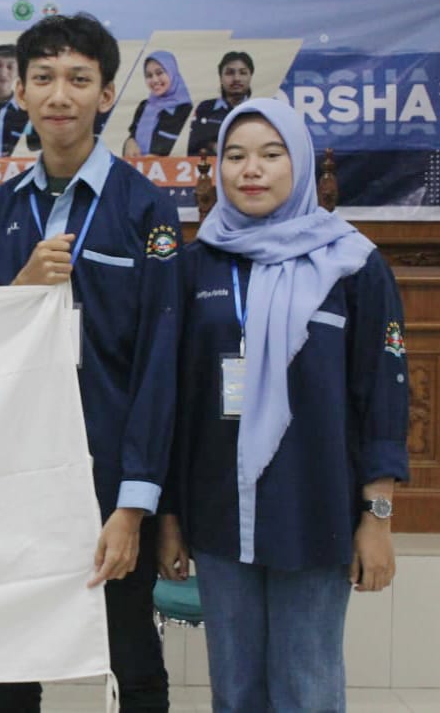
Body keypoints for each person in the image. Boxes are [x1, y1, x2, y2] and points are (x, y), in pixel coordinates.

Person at [0, 14, 179, 712]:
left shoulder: (147, 209)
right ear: (19, 91)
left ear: (106, 95)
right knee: (14, 657)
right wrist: (18, 291)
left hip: (108, 469)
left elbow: (159, 362)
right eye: (43, 78)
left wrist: (134, 504)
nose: (60, 94)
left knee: (130, 651)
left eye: (78, 79)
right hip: (15, 467)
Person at [160, 98, 409, 712]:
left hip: (316, 508)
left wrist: (376, 518)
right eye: (236, 156)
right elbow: (174, 401)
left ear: (297, 165)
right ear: (217, 169)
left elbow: (381, 395)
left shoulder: (354, 265)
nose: (252, 170)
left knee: (308, 685)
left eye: (272, 155)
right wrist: (169, 517)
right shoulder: (196, 267)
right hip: (220, 514)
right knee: (236, 689)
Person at [123, 50, 192, 157]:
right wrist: (130, 142)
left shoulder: (186, 109)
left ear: (172, 72)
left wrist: (155, 158)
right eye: (149, 75)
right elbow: (133, 135)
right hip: (139, 168)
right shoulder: (144, 106)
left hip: (171, 170)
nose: (154, 80)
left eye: (160, 73)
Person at [187, 51, 254, 156]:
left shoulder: (256, 110)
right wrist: (213, 146)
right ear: (220, 77)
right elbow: (194, 145)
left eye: (243, 73)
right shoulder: (205, 108)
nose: (236, 78)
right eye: (230, 73)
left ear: (251, 76)